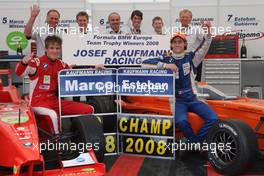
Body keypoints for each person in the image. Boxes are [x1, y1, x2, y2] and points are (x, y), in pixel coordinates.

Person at [142, 22, 218, 143]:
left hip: (193, 98)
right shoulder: (166, 58)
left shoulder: (191, 57)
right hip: (177, 101)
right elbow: (144, 63)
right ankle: (195, 142)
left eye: (180, 42)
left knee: (213, 118)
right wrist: (165, 65)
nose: (177, 44)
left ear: (185, 44)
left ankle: (194, 142)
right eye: (175, 42)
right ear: (171, 45)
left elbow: (204, 46)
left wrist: (208, 34)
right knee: (181, 122)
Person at [15, 35, 103, 134]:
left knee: (88, 109)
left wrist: (94, 69)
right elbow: (20, 73)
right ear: (46, 49)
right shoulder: (37, 62)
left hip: (54, 101)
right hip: (37, 102)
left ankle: (81, 138)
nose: (55, 51)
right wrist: (23, 62)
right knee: (53, 115)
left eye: (57, 48)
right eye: (52, 48)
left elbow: (78, 75)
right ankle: (58, 143)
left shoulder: (61, 64)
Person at [178, 9, 208, 82]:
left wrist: (206, 30)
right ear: (179, 18)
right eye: (182, 17)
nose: (184, 19)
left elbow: (206, 40)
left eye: (187, 17)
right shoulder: (176, 30)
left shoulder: (197, 29)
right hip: (180, 60)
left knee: (196, 81)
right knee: (182, 81)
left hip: (194, 59)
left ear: (191, 18)